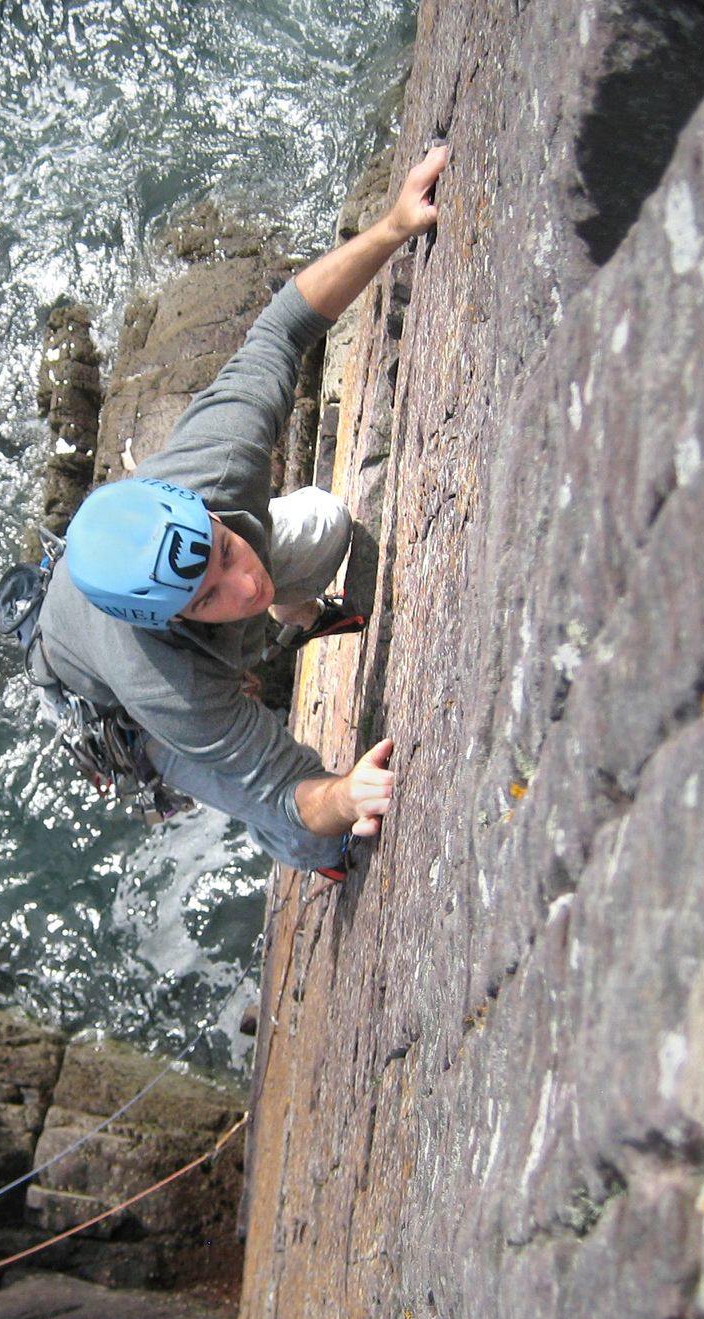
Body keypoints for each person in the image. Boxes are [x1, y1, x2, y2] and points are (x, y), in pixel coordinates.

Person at [27, 144, 448, 878]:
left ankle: (300, 620)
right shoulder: (170, 690)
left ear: (203, 510)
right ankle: (312, 857)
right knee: (308, 833)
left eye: (222, 552)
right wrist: (346, 795)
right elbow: (286, 791)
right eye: (205, 598)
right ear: (171, 620)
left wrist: (393, 226)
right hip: (122, 706)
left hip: (153, 608)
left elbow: (284, 327)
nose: (245, 585)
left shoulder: (215, 463)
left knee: (324, 525)